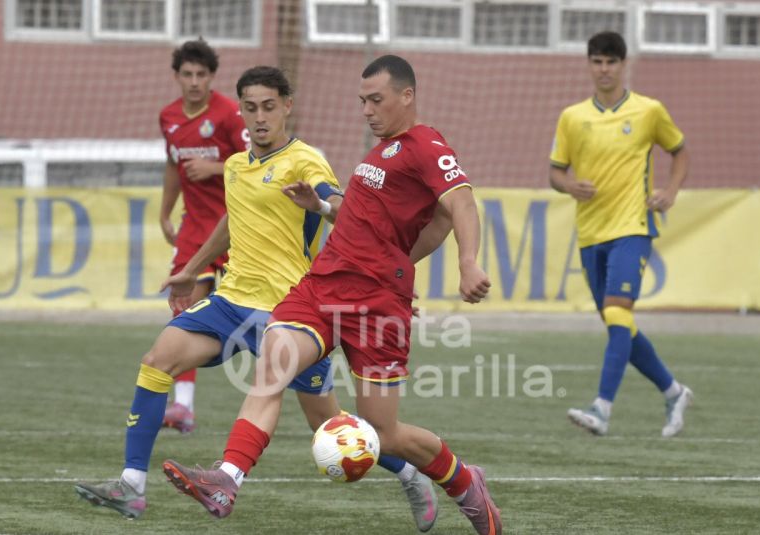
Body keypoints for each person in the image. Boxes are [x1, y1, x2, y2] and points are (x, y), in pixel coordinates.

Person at [75, 66, 439, 533]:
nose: (260, 117)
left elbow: (345, 211)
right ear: (241, 111)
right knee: (156, 360)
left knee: (327, 426)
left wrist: (323, 206)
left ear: (287, 106)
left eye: (269, 106)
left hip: (291, 312)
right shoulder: (235, 166)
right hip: (230, 302)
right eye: (250, 108)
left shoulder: (305, 159)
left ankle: (410, 474)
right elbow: (231, 221)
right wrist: (192, 270)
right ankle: (132, 485)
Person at [161, 55, 503, 535]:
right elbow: (371, 225)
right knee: (274, 363)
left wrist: (466, 262)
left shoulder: (426, 144)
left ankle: (465, 482)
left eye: (376, 100)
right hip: (323, 285)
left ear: (407, 96)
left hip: (378, 305)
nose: (366, 111)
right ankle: (227, 478)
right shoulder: (379, 154)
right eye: (362, 101)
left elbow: (458, 204)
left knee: (383, 433)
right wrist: (321, 206)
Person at [548, 31, 693, 437]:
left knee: (616, 313)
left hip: (633, 226)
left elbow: (680, 151)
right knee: (619, 324)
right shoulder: (572, 117)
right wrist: (569, 185)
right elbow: (555, 172)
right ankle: (674, 391)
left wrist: (670, 191)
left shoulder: (649, 111)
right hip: (590, 234)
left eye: (611, 61)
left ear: (623, 64)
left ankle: (602, 408)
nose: (604, 69)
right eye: (597, 61)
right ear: (589, 65)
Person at [157, 38, 250, 433]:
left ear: (212, 77)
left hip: (236, 227)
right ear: (177, 76)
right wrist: (164, 212)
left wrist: (213, 169)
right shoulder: (168, 117)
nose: (194, 81)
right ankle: (183, 405)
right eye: (187, 74)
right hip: (194, 227)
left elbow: (254, 162)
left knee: (259, 314)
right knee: (183, 306)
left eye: (201, 74)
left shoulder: (230, 115)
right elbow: (172, 165)